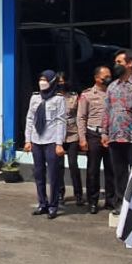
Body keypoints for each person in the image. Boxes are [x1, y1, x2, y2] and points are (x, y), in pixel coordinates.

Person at [101, 50, 132, 215]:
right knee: (119, 172)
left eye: (120, 62)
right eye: (116, 62)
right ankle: (121, 202)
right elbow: (106, 110)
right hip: (115, 136)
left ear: (129, 64)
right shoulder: (112, 86)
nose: (116, 65)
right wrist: (104, 133)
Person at [24, 69, 66, 219]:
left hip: (51, 141)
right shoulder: (35, 97)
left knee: (53, 174)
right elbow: (30, 119)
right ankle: (42, 203)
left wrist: (59, 143)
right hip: (36, 140)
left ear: (52, 82)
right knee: (38, 174)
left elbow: (61, 122)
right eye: (41, 79)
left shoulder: (59, 99)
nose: (42, 82)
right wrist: (27, 140)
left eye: (45, 80)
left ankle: (53, 205)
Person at [77, 65, 113, 215]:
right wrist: (82, 138)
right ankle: (93, 201)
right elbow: (81, 117)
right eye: (106, 76)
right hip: (93, 134)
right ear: (97, 78)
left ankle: (112, 200)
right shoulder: (87, 95)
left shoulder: (114, 92)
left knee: (112, 169)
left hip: (111, 136)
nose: (108, 78)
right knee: (93, 170)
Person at [54, 72, 83, 206]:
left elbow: (79, 116)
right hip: (57, 135)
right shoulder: (52, 97)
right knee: (58, 166)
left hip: (72, 134)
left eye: (63, 81)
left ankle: (78, 194)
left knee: (73, 165)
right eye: (58, 82)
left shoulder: (74, 96)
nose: (61, 84)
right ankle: (60, 193)